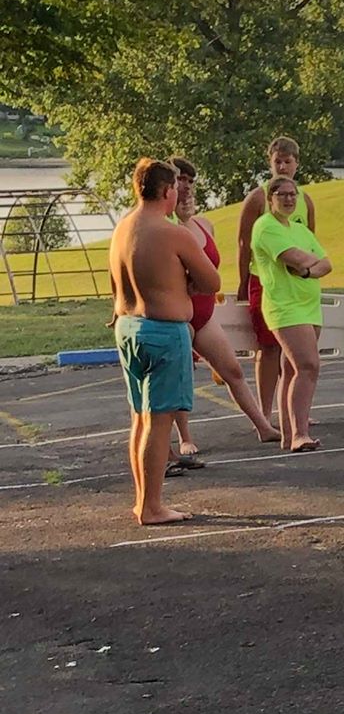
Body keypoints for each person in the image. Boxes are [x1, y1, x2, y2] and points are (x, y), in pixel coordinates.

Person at [108, 157, 220, 525]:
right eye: (177, 187)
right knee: (158, 422)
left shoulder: (123, 228)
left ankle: (143, 499)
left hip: (127, 325)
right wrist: (185, 281)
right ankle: (152, 506)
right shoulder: (172, 232)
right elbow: (212, 281)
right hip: (162, 331)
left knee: (139, 418)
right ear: (167, 191)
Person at [167, 156, 278, 461]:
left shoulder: (204, 224)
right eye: (179, 180)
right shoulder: (165, 228)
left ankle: (263, 425)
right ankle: (184, 436)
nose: (186, 186)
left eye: (190, 181)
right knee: (181, 376)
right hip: (179, 313)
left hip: (203, 313)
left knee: (232, 370)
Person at [249, 173, 331, 452]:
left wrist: (308, 270)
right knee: (308, 365)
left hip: (308, 304)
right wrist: (309, 264)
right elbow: (294, 257)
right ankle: (300, 432)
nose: (288, 199)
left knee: (291, 369)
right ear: (270, 199)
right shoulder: (265, 226)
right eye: (281, 194)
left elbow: (325, 263)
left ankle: (288, 434)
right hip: (285, 306)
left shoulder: (300, 229)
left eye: (292, 194)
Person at [237, 137, 316, 423]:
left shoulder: (304, 199)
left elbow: (311, 242)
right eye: (277, 162)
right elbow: (244, 243)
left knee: (298, 354)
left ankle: (295, 412)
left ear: (297, 164)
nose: (282, 167)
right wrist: (243, 281)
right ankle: (265, 411)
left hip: (296, 283)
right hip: (266, 281)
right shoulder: (258, 198)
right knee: (268, 347)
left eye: (288, 162)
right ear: (270, 163)